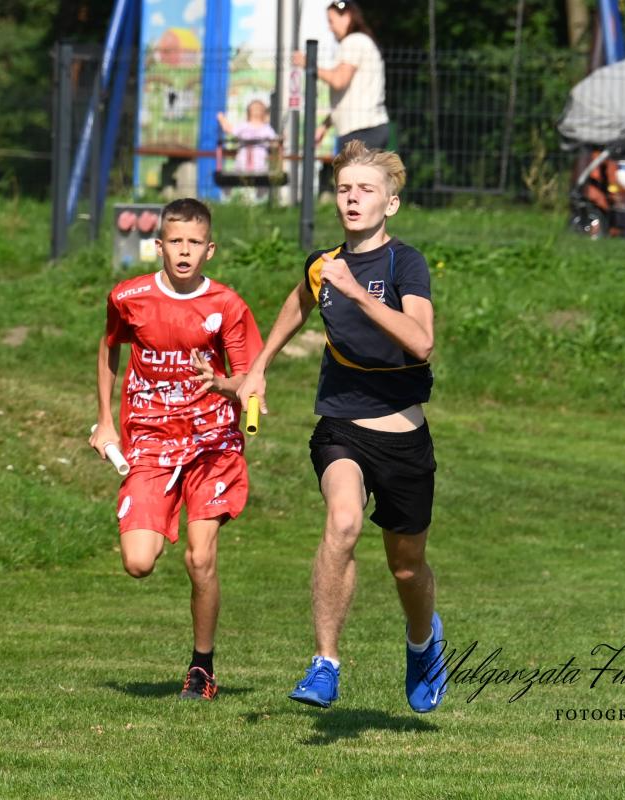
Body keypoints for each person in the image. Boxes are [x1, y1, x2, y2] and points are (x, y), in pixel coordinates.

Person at [235, 141, 447, 713]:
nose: (352, 199)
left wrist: (356, 291)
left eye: (366, 190)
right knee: (344, 522)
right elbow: (297, 303)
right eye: (344, 189)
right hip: (341, 427)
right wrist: (258, 368)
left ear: (390, 203)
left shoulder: (405, 263)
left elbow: (422, 342)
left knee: (406, 566)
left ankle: (422, 642)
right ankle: (325, 664)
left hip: (403, 436)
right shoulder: (322, 264)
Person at [90, 198, 263, 702]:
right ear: (159, 245)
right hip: (150, 439)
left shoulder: (227, 305)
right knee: (138, 562)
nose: (184, 251)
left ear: (210, 249)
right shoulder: (129, 297)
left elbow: (250, 380)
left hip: (212, 442)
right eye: (175, 242)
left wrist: (226, 385)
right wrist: (105, 421)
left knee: (199, 556)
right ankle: (154, 512)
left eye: (194, 243)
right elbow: (109, 346)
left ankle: (201, 668)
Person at [293, 0, 389, 151]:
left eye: (331, 21)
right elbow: (348, 97)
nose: (330, 28)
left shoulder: (353, 42)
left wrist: (309, 64)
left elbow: (339, 81)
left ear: (347, 17)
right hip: (367, 129)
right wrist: (325, 125)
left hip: (361, 131)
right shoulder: (362, 41)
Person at [217, 99, 279, 175]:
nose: (256, 110)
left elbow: (275, 143)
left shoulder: (266, 129)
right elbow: (229, 129)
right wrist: (221, 118)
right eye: (255, 108)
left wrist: (277, 142)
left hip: (256, 166)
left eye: (258, 108)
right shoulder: (244, 126)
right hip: (245, 165)